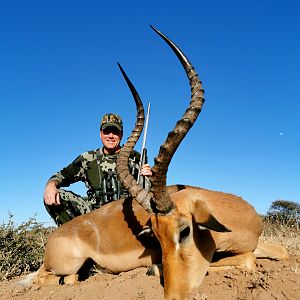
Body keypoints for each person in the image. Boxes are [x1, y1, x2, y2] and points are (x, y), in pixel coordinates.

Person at [43, 113, 152, 226]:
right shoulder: (88, 158)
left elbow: (147, 192)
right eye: (106, 131)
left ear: (121, 135)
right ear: (100, 134)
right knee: (56, 195)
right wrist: (51, 184)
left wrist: (150, 178)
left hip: (127, 215)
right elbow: (61, 176)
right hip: (95, 217)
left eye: (115, 132)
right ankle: (75, 239)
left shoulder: (135, 157)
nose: (110, 136)